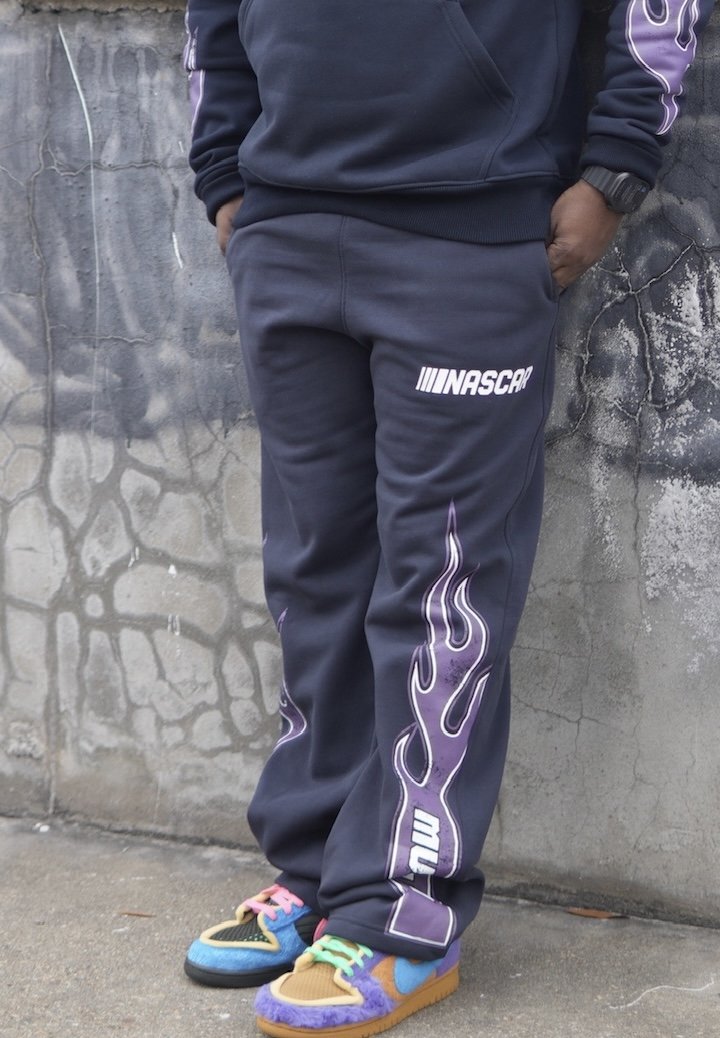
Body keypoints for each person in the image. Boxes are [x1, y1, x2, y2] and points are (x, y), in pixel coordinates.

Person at [181, 2, 712, 1035]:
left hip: (471, 225)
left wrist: (614, 169)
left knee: (442, 589)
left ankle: (403, 914)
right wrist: (224, 171)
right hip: (285, 224)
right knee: (315, 575)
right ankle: (320, 872)